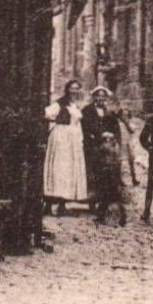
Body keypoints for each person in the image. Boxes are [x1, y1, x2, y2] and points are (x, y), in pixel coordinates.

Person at [43, 79, 88, 215]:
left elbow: (77, 123)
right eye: (72, 88)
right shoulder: (60, 104)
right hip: (61, 140)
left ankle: (62, 205)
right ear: (67, 89)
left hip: (73, 141)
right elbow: (47, 114)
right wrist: (56, 123)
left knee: (68, 171)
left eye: (76, 89)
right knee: (58, 170)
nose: (74, 91)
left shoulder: (75, 105)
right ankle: (49, 204)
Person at [91, 131, 129, 227]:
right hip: (108, 177)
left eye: (109, 140)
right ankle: (117, 218)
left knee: (109, 198)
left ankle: (114, 218)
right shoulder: (111, 150)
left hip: (109, 177)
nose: (107, 142)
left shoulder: (105, 150)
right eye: (105, 140)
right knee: (109, 198)